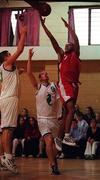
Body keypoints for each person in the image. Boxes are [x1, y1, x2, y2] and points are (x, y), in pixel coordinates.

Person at [40, 16, 81, 151]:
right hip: (64, 85)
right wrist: (43, 25)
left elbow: (76, 39)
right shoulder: (62, 55)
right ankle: (67, 136)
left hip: (74, 86)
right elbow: (53, 39)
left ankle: (58, 137)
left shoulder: (75, 54)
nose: (67, 44)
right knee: (71, 110)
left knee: (66, 114)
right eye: (66, 44)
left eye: (69, 44)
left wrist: (69, 27)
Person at [27, 48, 62, 175]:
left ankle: (53, 162)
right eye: (43, 73)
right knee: (48, 141)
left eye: (46, 73)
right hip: (42, 119)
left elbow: (61, 74)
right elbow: (29, 72)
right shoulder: (37, 87)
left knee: (55, 146)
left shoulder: (54, 85)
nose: (45, 74)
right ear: (40, 77)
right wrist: (29, 58)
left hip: (54, 119)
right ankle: (53, 165)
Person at [0, 24, 27, 174]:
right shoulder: (7, 63)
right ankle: (8, 158)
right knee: (8, 130)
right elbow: (20, 49)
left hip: (6, 99)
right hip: (9, 99)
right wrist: (23, 34)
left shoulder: (7, 68)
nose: (11, 55)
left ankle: (4, 157)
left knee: (5, 129)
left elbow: (9, 79)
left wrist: (19, 73)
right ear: (5, 57)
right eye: (9, 54)